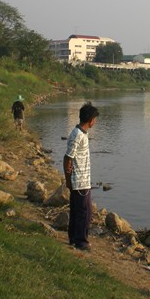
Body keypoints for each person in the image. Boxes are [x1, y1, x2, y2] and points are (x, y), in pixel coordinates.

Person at [63, 102, 99, 251]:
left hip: (82, 180)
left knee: (79, 211)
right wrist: (68, 180)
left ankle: (73, 238)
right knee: (84, 213)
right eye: (95, 119)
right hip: (79, 182)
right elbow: (67, 158)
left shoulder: (81, 133)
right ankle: (81, 242)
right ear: (90, 120)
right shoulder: (78, 135)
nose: (95, 122)